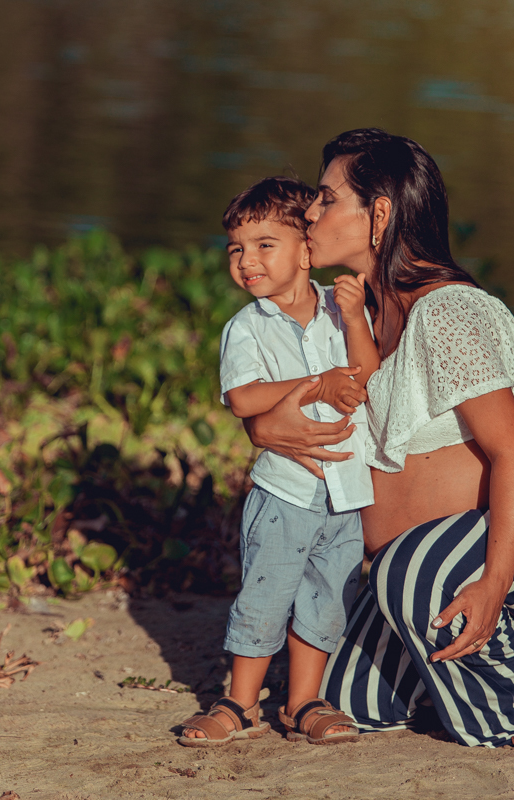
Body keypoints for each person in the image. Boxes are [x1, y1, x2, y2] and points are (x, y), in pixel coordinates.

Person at [245, 129, 514, 748]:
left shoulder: (448, 312)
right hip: (414, 559)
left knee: (410, 583)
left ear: (379, 214)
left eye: (327, 200)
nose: (309, 213)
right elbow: (280, 408)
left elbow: (511, 454)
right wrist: (262, 425)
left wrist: (492, 586)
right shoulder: (342, 315)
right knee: (349, 696)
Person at [177, 176, 377, 747]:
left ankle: (303, 701)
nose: (247, 261)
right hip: (284, 490)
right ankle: (240, 704)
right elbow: (244, 398)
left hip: (345, 492)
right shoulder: (246, 327)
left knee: (327, 597)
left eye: (266, 244)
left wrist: (358, 318)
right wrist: (318, 384)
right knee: (265, 595)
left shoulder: (340, 314)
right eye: (237, 248)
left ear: (307, 250)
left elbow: (365, 373)